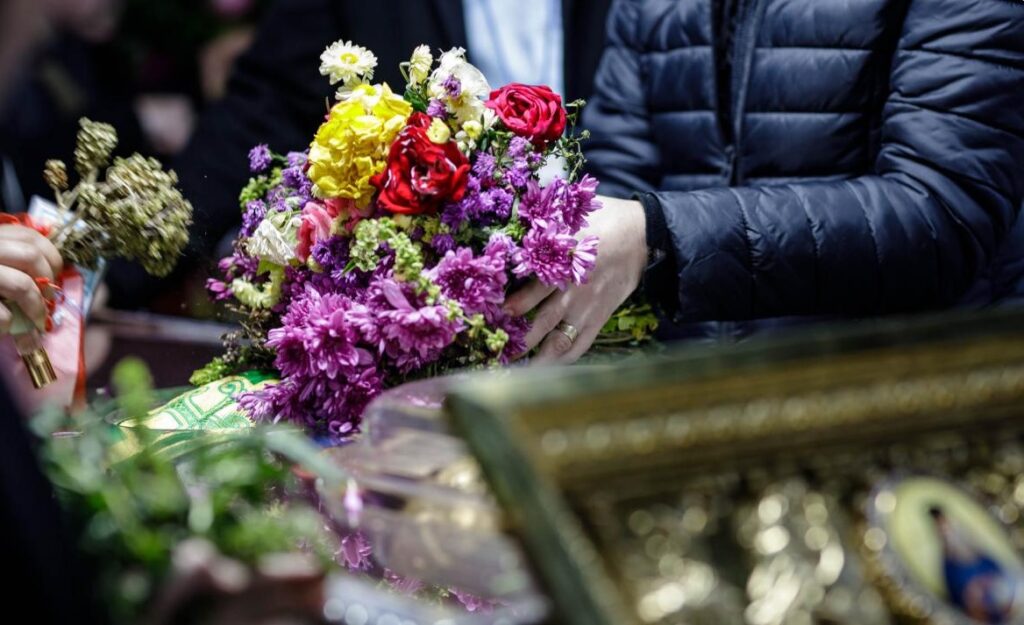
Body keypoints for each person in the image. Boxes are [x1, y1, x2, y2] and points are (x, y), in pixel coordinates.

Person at [505, 0, 1024, 363]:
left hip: (907, 398)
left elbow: (942, 211)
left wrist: (656, 236)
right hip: (701, 401)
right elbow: (621, 178)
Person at [107, 0, 613, 308]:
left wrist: (644, 239)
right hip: (435, 305)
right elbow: (260, 114)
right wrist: (114, 266)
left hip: (618, 281)